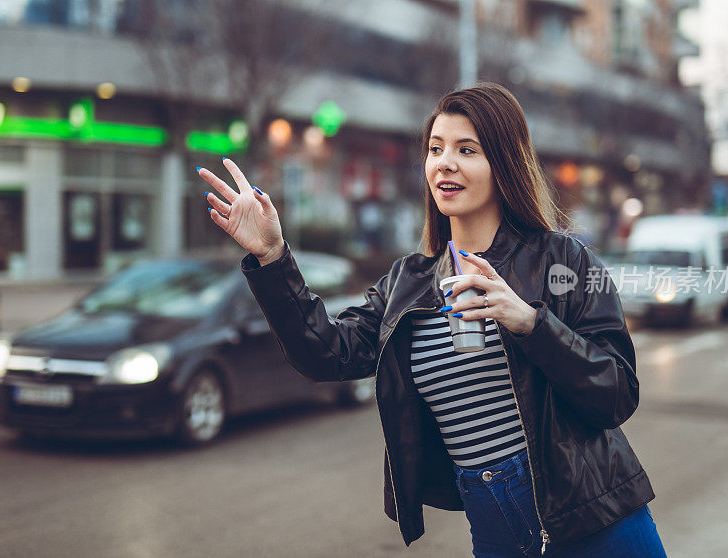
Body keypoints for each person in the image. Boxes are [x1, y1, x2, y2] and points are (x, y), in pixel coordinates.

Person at [197, 82, 667, 557]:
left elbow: (618, 392)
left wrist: (530, 322)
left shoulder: (562, 259)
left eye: (467, 149)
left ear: (503, 164)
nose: (445, 162)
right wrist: (273, 258)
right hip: (492, 519)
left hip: (593, 515)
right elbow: (326, 354)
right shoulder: (410, 280)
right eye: (436, 149)